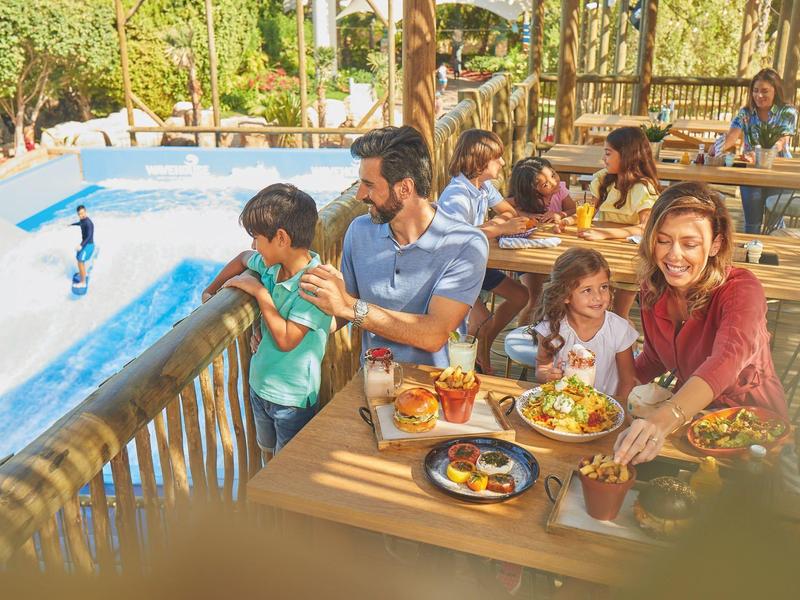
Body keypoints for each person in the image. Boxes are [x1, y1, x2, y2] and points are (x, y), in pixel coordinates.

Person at [613, 182, 788, 466]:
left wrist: (664, 418)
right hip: (686, 426)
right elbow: (655, 358)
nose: (673, 255)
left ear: (715, 244)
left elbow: (726, 359)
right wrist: (604, 385)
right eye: (663, 240)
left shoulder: (742, 290)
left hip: (753, 435)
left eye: (690, 244)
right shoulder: (652, 288)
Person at [298, 126, 488, 369]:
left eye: (369, 185)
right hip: (373, 384)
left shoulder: (466, 244)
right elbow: (340, 308)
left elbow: (434, 334)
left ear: (405, 188)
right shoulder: (359, 231)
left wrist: (350, 307)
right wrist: (291, 328)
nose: (359, 195)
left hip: (436, 391)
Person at [201, 183, 332, 456]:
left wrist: (260, 294)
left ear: (281, 238)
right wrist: (211, 291)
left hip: (292, 400)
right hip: (259, 387)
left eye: (257, 237)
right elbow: (242, 259)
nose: (253, 245)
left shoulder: (315, 285)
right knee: (268, 453)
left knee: (287, 469)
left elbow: (286, 339)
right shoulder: (273, 267)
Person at [437, 129, 529, 374]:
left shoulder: (484, 187)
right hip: (455, 269)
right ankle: (470, 366)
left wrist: (497, 225)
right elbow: (457, 236)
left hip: (479, 262)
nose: (503, 162)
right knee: (482, 320)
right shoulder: (456, 194)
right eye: (497, 157)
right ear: (480, 162)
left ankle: (481, 346)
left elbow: (509, 213)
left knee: (521, 295)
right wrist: (499, 228)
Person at [568, 126, 660, 321]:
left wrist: (604, 233)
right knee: (596, 311)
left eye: (608, 153)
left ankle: (626, 351)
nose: (604, 159)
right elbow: (588, 209)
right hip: (601, 255)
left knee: (618, 316)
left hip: (628, 258)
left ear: (627, 155)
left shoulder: (642, 189)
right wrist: (567, 220)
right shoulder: (604, 179)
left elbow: (646, 228)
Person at [532, 247, 637, 400]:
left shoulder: (619, 330)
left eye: (604, 287)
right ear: (566, 295)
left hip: (603, 411)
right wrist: (546, 375)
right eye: (587, 290)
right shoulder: (552, 328)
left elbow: (628, 382)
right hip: (563, 407)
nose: (598, 297)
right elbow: (542, 365)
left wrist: (617, 412)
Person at [716, 68, 797, 234]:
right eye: (755, 90)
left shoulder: (788, 112)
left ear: (776, 91)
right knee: (752, 223)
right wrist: (716, 149)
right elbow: (731, 137)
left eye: (765, 91)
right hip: (751, 173)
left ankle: (771, 256)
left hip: (779, 173)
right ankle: (751, 258)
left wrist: (763, 153)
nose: (759, 95)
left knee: (773, 225)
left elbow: (781, 142)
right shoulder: (745, 113)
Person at [507, 156, 577, 324]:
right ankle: (521, 335)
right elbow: (503, 206)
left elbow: (573, 208)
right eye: (545, 184)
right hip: (529, 252)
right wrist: (527, 215)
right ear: (530, 189)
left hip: (556, 250)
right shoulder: (524, 198)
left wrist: (560, 214)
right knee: (535, 297)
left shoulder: (560, 190)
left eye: (553, 175)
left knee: (562, 294)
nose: (553, 182)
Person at [70, 204, 95, 288]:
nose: (82, 215)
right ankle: (83, 273)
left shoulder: (89, 223)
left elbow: (89, 235)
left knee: (80, 261)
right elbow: (80, 223)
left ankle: (83, 282)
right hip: (85, 244)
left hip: (89, 245)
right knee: (78, 258)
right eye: (80, 214)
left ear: (86, 211)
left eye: (83, 212)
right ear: (78, 214)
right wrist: (71, 224)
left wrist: (81, 245)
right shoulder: (82, 220)